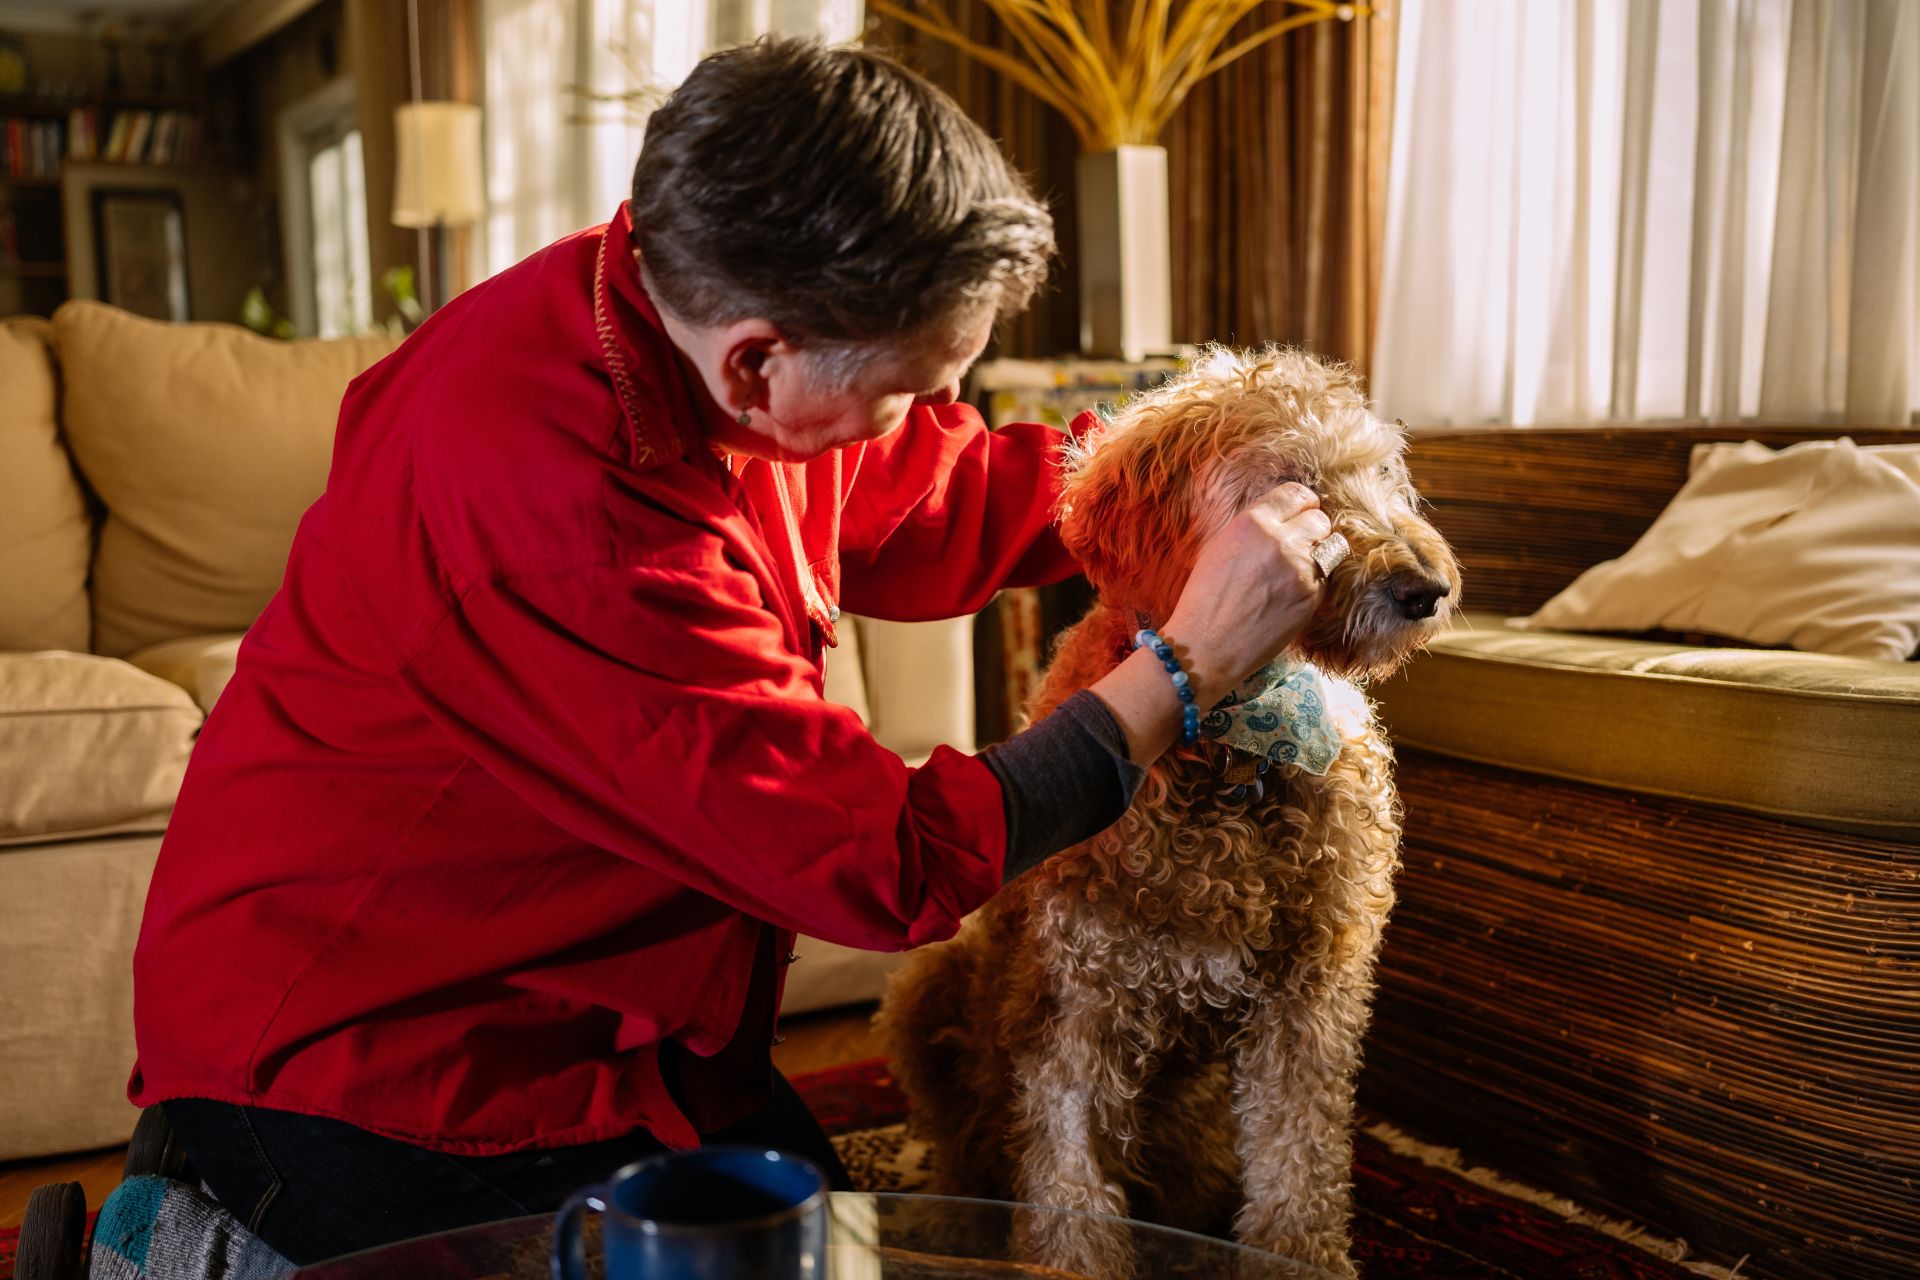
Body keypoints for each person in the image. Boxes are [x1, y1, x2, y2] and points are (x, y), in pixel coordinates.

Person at [127, 38, 1334, 1265]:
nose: (929, 416)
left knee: (831, 1252)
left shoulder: (690, 318)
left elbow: (944, 492)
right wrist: (1181, 669)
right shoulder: (566, 522)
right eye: (911, 388)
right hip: (376, 1062)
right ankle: (195, 1233)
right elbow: (881, 859)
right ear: (760, 360)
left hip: (615, 1018)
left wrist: (1185, 494)